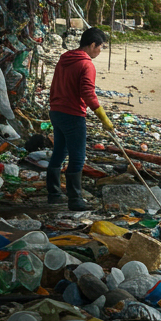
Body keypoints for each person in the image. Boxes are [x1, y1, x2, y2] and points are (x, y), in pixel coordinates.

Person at [47, 27, 112, 210]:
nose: (100, 51)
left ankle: (53, 194)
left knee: (59, 151)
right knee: (77, 157)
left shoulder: (65, 58)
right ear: (92, 45)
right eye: (100, 47)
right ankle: (75, 200)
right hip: (72, 114)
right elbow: (88, 93)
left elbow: (55, 84)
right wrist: (103, 117)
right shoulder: (86, 64)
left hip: (56, 111)